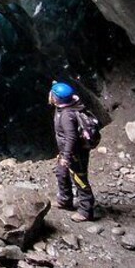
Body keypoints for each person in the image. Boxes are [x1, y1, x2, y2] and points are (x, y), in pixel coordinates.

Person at [49, 82, 95, 222]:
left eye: (52, 93)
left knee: (79, 179)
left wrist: (67, 156)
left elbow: (71, 137)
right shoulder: (63, 108)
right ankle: (65, 200)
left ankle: (85, 211)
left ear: (57, 99)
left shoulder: (67, 116)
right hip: (66, 152)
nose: (49, 95)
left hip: (75, 154)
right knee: (61, 173)